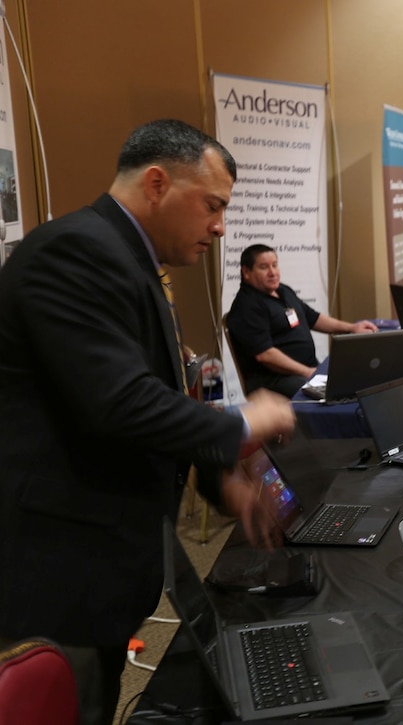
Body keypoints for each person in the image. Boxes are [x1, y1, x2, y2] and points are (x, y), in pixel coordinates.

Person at [0, 119, 296, 725]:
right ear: (157, 183)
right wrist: (242, 423)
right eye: (212, 205)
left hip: (103, 562)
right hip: (58, 573)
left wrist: (220, 477)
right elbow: (120, 402)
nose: (220, 226)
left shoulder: (131, 260)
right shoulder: (75, 251)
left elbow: (160, 396)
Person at [226, 244, 378, 397]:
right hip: (274, 380)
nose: (272, 272)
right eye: (264, 267)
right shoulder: (247, 306)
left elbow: (313, 318)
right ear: (246, 272)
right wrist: (307, 372)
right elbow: (265, 355)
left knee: (355, 376)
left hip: (306, 370)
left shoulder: (283, 291)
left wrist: (352, 328)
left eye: (275, 265)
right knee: (333, 394)